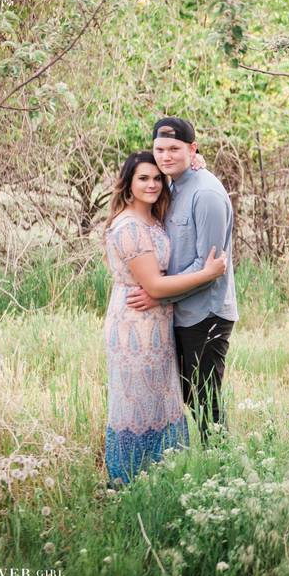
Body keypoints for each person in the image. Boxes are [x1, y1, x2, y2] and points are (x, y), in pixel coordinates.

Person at [103, 150, 226, 486]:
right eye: (143, 178)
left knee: (160, 400)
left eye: (157, 178)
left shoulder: (152, 218)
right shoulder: (129, 227)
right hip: (135, 324)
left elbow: (177, 163)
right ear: (127, 182)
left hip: (157, 322)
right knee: (137, 402)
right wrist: (208, 273)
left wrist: (196, 162)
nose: (153, 184)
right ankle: (127, 483)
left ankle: (162, 479)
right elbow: (154, 284)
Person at [126, 117, 238, 443]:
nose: (165, 156)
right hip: (181, 310)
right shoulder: (171, 184)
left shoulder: (206, 195)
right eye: (159, 149)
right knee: (189, 397)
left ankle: (220, 468)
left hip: (206, 313)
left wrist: (157, 295)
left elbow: (209, 268)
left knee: (206, 402)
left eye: (175, 149)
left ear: (192, 149)